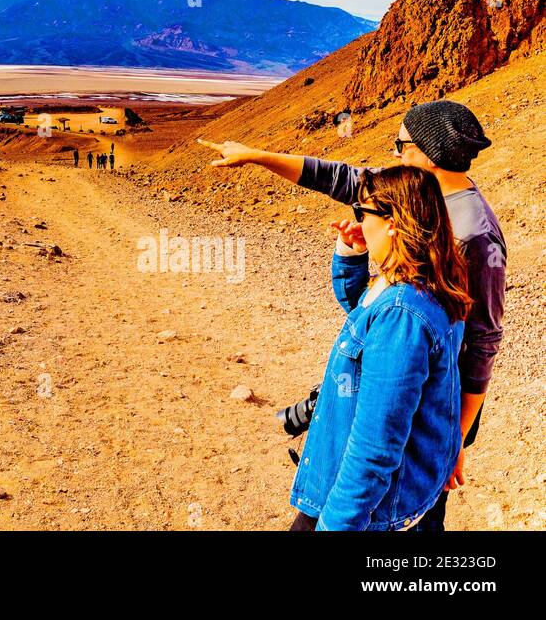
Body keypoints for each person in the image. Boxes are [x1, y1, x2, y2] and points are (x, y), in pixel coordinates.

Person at [200, 100, 505, 530]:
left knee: (405, 505)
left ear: (430, 153)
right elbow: (337, 179)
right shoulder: (415, 200)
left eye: (401, 145)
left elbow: (481, 342)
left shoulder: (474, 233)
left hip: (427, 414)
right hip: (403, 391)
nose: (394, 154)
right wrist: (256, 156)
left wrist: (455, 436)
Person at [287, 166, 470, 529]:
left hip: (362, 513)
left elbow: (375, 445)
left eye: (363, 212)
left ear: (392, 222)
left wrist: (337, 524)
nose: (359, 221)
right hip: (385, 501)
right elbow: (365, 314)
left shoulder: (403, 314)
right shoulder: (427, 283)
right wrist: (351, 254)